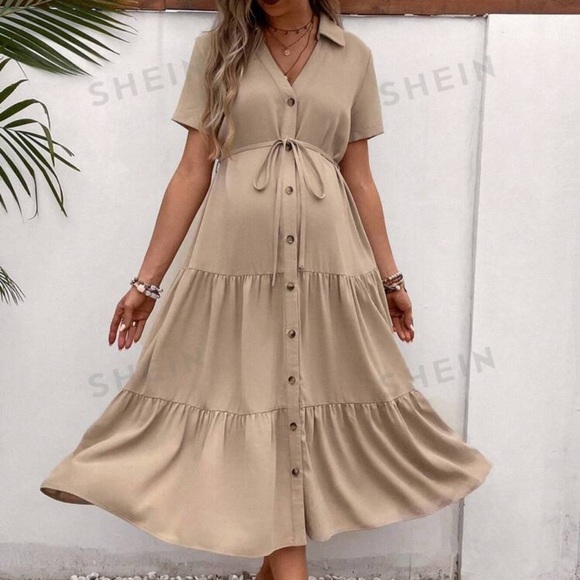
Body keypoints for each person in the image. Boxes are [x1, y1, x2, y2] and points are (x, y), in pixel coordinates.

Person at [40, 1, 493, 578]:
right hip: (234, 269)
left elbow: (359, 177)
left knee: (297, 406)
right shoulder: (217, 49)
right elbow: (192, 169)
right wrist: (145, 284)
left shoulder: (353, 56)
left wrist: (391, 279)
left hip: (328, 269)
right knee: (254, 403)